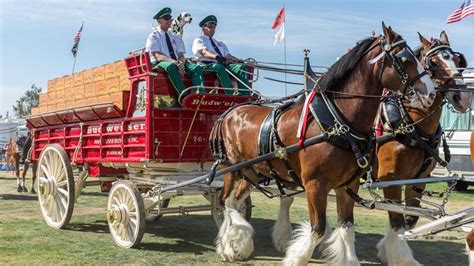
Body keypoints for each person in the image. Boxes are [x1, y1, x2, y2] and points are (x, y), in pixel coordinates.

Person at [145, 7, 205, 98]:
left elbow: (181, 54)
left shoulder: (176, 37)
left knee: (196, 68)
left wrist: (181, 62)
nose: (169, 20)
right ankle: (183, 96)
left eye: (170, 18)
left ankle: (199, 95)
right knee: (171, 66)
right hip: (160, 63)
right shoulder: (153, 36)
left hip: (177, 62)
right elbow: (157, 55)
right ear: (159, 21)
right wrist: (175, 62)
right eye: (166, 18)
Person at [192, 15, 251, 96]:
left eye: (214, 28)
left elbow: (228, 56)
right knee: (219, 67)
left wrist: (240, 61)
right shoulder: (199, 40)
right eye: (210, 27)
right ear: (203, 28)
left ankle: (246, 95)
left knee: (240, 68)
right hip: (206, 65)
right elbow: (203, 52)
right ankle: (230, 93)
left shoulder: (219, 43)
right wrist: (216, 57)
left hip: (222, 64)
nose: (212, 30)